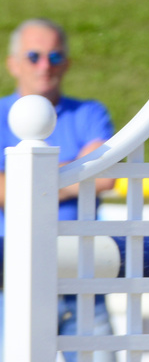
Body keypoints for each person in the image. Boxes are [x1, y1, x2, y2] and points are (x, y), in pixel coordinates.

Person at [0, 19, 118, 358]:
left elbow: (105, 177)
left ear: (66, 63)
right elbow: (92, 176)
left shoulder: (90, 111)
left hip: (84, 282)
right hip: (12, 282)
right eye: (34, 55)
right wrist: (74, 175)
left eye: (54, 56)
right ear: (13, 63)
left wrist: (24, 181)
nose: (44, 65)